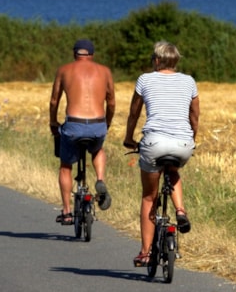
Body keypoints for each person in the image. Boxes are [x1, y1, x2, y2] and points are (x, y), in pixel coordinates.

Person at [123, 41, 200, 266]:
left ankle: (145, 252)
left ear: (157, 60)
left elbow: (134, 113)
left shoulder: (145, 79)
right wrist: (191, 139)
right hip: (183, 143)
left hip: (154, 143)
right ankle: (181, 210)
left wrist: (129, 138)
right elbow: (194, 115)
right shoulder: (189, 81)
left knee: (149, 196)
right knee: (173, 170)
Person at [49, 39, 116, 225]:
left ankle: (67, 211)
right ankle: (100, 179)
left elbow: (54, 101)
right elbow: (111, 103)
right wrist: (107, 123)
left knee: (65, 166)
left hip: (74, 125)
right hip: (97, 124)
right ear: (92, 55)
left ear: (74, 54)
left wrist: (53, 122)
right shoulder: (105, 71)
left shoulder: (64, 70)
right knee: (97, 149)